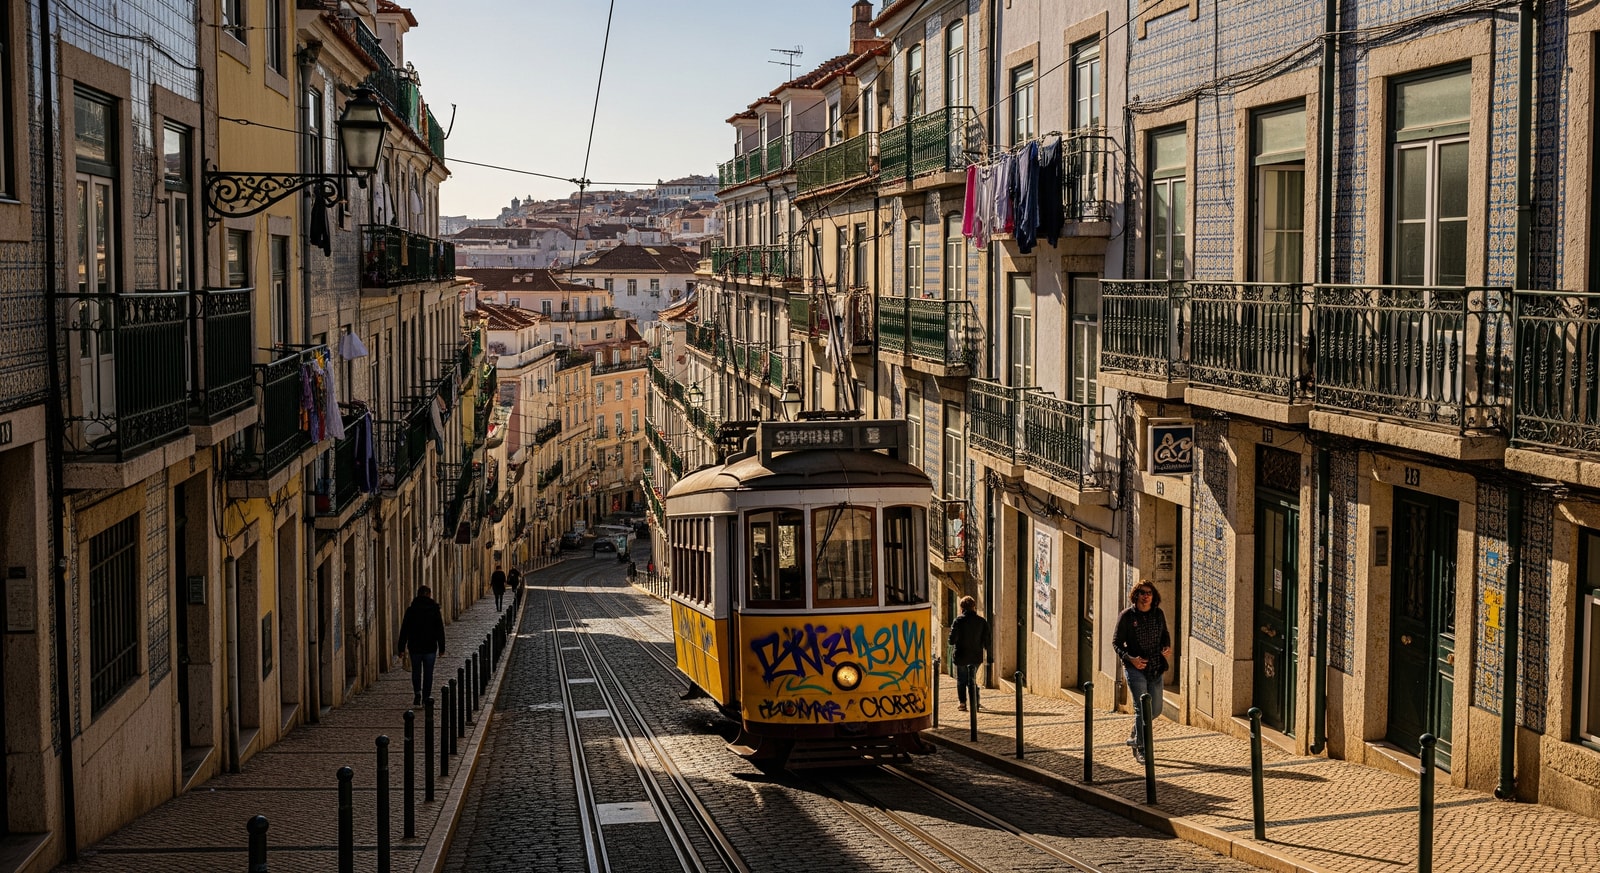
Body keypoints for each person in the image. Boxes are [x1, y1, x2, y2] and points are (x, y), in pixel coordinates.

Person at [1113, 580, 1172, 764]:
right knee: (1142, 709)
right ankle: (1141, 748)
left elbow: (1165, 635)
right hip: (1135, 668)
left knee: (1155, 710)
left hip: (1155, 667)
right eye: (1142, 593)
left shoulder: (1158, 614)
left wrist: (1166, 647)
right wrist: (1130, 658)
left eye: (1149, 593)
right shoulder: (1127, 617)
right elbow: (1116, 643)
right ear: (1136, 595)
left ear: (1153, 597)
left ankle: (1136, 733)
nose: (1146, 596)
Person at [397, 586, 446, 706]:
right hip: (430, 647)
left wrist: (401, 648)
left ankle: (417, 692)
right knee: (428, 673)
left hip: (415, 647)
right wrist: (442, 647)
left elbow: (404, 629)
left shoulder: (411, 610)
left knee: (416, 672)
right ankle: (426, 697)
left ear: (418, 595)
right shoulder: (434, 609)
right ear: (429, 594)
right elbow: (440, 629)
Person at [948, 595, 991, 712]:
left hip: (961, 656)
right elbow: (987, 641)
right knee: (972, 680)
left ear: (962, 607)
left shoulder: (958, 621)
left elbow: (951, 640)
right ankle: (975, 702)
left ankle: (962, 703)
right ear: (974, 607)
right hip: (976, 656)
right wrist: (989, 657)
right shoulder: (982, 621)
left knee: (961, 680)